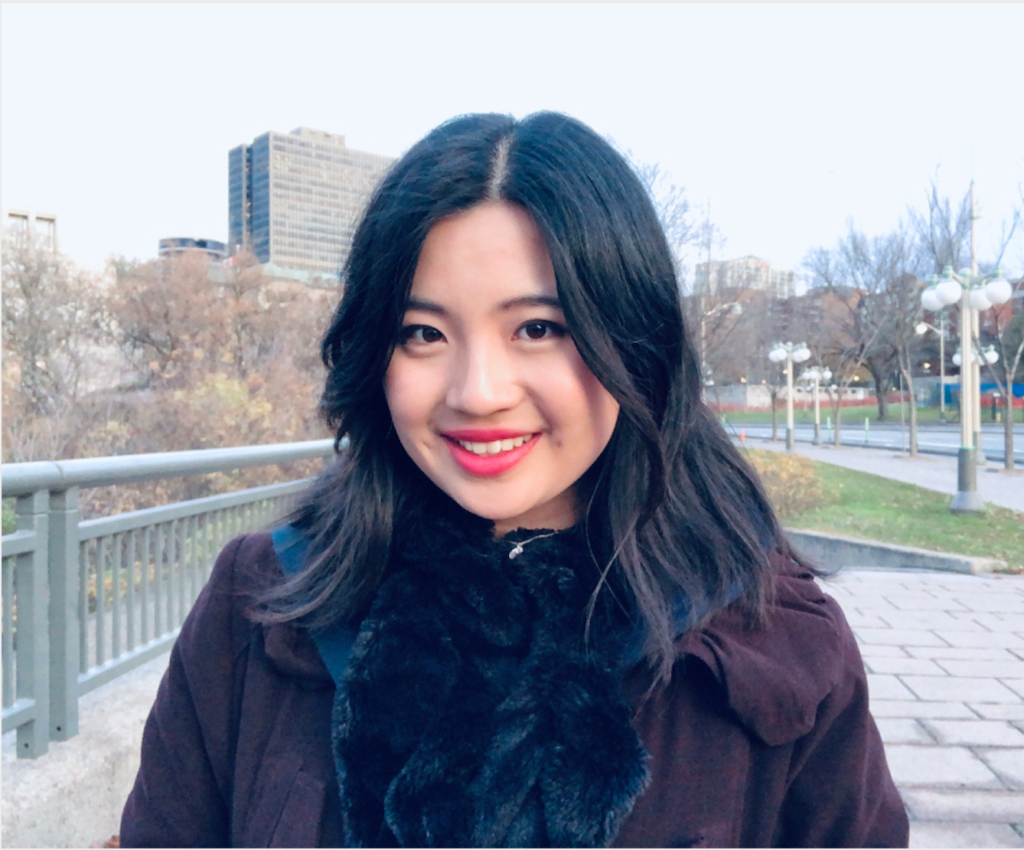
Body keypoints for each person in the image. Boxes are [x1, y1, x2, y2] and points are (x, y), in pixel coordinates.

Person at [120, 112, 909, 848]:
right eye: (422, 333)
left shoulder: (773, 637)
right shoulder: (262, 600)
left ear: (634, 343)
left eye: (538, 328)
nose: (477, 392)